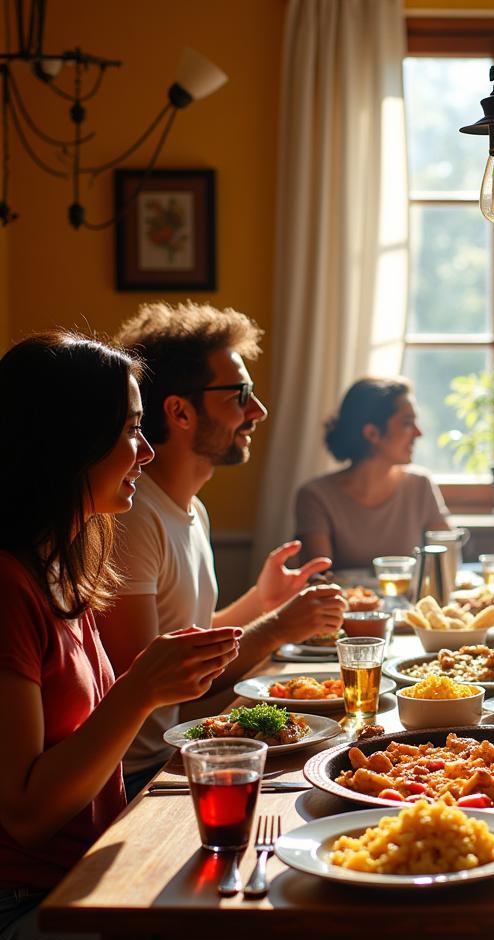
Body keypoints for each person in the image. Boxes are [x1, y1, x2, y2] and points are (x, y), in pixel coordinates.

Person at [0, 333, 252, 940]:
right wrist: (142, 687)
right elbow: (25, 817)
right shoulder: (9, 586)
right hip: (23, 910)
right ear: (69, 444)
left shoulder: (71, 561)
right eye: (131, 431)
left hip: (93, 873)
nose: (146, 451)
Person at [98, 302, 346, 800]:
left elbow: (188, 637)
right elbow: (158, 686)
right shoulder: (132, 516)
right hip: (144, 777)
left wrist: (261, 601)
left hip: (178, 758)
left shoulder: (188, 507)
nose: (258, 411)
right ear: (180, 410)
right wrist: (277, 628)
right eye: (240, 396)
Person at [295, 376, 451, 567]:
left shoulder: (420, 485)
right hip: (346, 598)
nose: (419, 433)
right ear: (372, 433)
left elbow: (446, 556)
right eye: (407, 423)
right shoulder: (316, 496)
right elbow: (319, 577)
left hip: (410, 598)